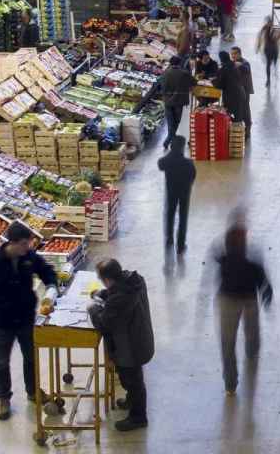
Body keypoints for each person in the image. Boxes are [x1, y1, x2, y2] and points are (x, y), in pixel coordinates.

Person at [0, 222, 57, 420]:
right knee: (2, 361)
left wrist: (51, 286)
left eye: (30, 244)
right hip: (2, 321)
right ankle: (3, 399)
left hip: (25, 316)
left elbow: (47, 271)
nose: (28, 248)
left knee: (30, 357)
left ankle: (33, 391)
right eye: (25, 244)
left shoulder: (29, 258)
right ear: (13, 243)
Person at [87, 259, 154, 432]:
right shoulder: (133, 282)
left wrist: (93, 310)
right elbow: (118, 291)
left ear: (108, 279)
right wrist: (104, 294)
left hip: (129, 347)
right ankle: (132, 401)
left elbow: (104, 323)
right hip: (138, 338)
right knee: (132, 379)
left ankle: (138, 417)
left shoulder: (121, 298)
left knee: (133, 381)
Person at [215, 208, 273, 395]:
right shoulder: (251, 254)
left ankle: (230, 384)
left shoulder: (223, 252)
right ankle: (251, 353)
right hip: (247, 299)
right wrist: (266, 294)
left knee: (228, 343)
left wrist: (266, 292)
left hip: (228, 300)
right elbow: (263, 279)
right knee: (251, 332)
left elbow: (218, 272)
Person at [158, 135, 196, 252]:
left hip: (171, 192)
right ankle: (180, 245)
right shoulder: (188, 163)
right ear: (182, 148)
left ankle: (169, 240)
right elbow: (193, 176)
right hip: (184, 192)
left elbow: (160, 164)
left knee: (170, 215)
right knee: (183, 218)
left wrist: (171, 154)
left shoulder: (167, 161)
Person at [159, 56, 194, 151]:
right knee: (176, 122)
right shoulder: (184, 73)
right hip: (179, 101)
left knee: (171, 123)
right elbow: (193, 82)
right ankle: (168, 141)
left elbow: (162, 86)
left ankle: (169, 140)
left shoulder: (165, 73)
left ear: (170, 63)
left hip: (168, 101)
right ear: (179, 63)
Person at [231, 46, 254, 137]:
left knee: (245, 109)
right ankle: (238, 128)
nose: (233, 56)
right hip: (236, 91)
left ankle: (247, 128)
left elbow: (246, 69)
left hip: (245, 91)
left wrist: (239, 65)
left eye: (234, 54)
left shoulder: (245, 63)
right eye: (232, 54)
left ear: (239, 54)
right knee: (237, 109)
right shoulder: (232, 63)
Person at [256, 16, 280, 87]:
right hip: (268, 49)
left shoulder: (275, 28)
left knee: (274, 62)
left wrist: (279, 33)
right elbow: (260, 35)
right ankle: (268, 79)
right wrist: (258, 45)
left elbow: (277, 38)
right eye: (268, 22)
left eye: (270, 22)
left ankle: (273, 72)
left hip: (274, 49)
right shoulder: (265, 27)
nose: (269, 23)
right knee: (268, 64)